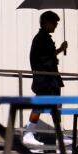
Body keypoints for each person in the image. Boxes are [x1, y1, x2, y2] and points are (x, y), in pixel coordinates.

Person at [23, 11, 67, 147]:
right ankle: (28, 133)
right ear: (46, 23)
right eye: (54, 23)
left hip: (50, 78)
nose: (55, 26)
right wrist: (56, 54)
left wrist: (60, 49)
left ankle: (59, 134)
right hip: (45, 79)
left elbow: (48, 56)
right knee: (40, 104)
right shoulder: (41, 38)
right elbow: (43, 58)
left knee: (56, 105)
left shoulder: (44, 38)